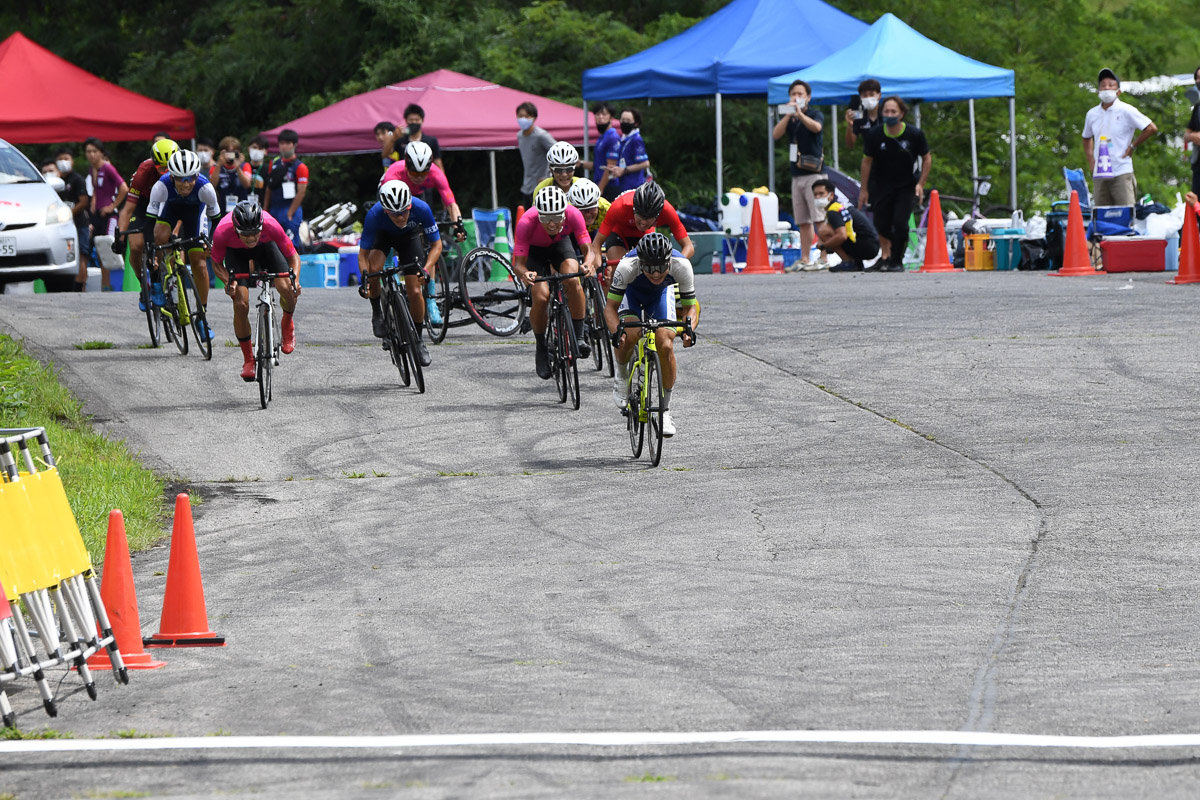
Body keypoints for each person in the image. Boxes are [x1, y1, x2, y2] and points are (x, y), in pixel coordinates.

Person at [604, 232, 699, 438]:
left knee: (665, 343)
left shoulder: (681, 265)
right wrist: (615, 332)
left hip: (661, 296)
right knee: (628, 334)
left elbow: (691, 308)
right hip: (632, 294)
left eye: (661, 268)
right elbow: (610, 308)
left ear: (669, 262)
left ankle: (665, 411)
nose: (656, 274)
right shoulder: (627, 266)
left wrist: (689, 328)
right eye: (649, 268)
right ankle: (621, 376)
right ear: (641, 263)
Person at [513, 185, 599, 379]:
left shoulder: (573, 214)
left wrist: (587, 264)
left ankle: (578, 336)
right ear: (538, 215)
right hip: (535, 252)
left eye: (557, 218)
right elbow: (518, 264)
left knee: (573, 278)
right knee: (541, 297)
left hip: (560, 245)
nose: (551, 224)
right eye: (545, 219)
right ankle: (541, 346)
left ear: (564, 213)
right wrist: (525, 274)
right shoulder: (526, 221)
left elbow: (589, 250)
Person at [211, 201, 302, 381]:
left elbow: (293, 257)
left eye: (255, 232)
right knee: (240, 302)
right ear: (236, 229)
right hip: (236, 254)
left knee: (286, 288)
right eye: (246, 234)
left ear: (262, 226)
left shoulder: (271, 224)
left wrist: (295, 281)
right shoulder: (222, 231)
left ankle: (287, 322)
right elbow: (216, 263)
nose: (251, 237)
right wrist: (228, 281)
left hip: (266, 248)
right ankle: (248, 360)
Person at [379, 140, 466, 325]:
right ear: (406, 165)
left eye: (423, 173)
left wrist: (459, 225)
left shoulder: (436, 173)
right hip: (394, 196)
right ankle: (389, 259)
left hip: (417, 198)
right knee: (397, 229)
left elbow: (451, 202)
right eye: (414, 173)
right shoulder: (394, 173)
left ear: (429, 167)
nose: (418, 177)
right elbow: (390, 213)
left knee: (429, 245)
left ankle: (431, 301)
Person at [356, 180, 440, 367]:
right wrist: (365, 280)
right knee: (374, 269)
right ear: (386, 211)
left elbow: (437, 245)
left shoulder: (422, 208)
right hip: (383, 237)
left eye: (404, 211)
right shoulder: (374, 215)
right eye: (395, 214)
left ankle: (418, 341)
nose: (401, 217)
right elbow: (362, 255)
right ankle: (377, 312)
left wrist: (426, 270)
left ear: (410, 205)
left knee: (416, 292)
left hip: (409, 238)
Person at [145, 149, 222, 339]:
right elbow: (149, 222)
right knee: (158, 236)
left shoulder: (206, 188)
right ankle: (156, 282)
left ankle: (201, 317)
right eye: (180, 179)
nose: (186, 184)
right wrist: (151, 252)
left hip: (195, 214)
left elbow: (217, 220)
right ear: (171, 177)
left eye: (190, 178)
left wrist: (210, 242)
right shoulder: (160, 187)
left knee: (199, 262)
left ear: (197, 175)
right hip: (170, 210)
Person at [859, 96, 930, 272]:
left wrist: (920, 183)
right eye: (886, 111)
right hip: (880, 185)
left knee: (900, 223)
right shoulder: (874, 135)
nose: (889, 114)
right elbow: (866, 162)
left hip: (906, 186)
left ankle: (896, 260)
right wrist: (864, 189)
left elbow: (927, 158)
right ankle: (887, 254)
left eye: (893, 112)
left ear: (901, 114)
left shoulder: (914, 134)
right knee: (881, 222)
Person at [116, 138, 179, 306]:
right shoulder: (144, 172)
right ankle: (145, 283)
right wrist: (120, 238)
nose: (166, 172)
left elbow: (184, 210)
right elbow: (128, 210)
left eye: (169, 168)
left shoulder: (182, 171)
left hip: (169, 204)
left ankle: (170, 279)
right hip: (143, 205)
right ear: (154, 163)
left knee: (161, 238)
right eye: (161, 168)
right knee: (136, 246)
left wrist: (175, 231)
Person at [589, 181, 694, 280]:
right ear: (634, 208)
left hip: (645, 234)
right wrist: (599, 265)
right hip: (619, 232)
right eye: (640, 215)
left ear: (658, 215)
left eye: (648, 217)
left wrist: (673, 263)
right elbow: (597, 244)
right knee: (619, 272)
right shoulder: (619, 206)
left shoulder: (667, 211)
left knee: (652, 269)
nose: (643, 222)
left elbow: (688, 246)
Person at [772, 79, 826, 271]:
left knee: (819, 217)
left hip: (815, 174)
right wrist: (788, 115)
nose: (796, 97)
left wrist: (800, 114)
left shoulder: (814, 113)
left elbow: (816, 128)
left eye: (800, 94)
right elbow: (775, 134)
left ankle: (824, 257)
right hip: (797, 174)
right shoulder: (791, 118)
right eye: (793, 94)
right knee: (803, 219)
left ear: (808, 97)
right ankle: (805, 258)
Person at [1083, 68, 1158, 207]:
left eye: (1111, 85)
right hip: (1100, 172)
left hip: (1121, 169)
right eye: (1103, 85)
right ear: (1098, 91)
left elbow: (1151, 127)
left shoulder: (1126, 110)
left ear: (1118, 91)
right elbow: (1086, 137)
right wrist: (1091, 160)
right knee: (1102, 215)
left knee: (1125, 212)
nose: (1106, 88)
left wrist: (1132, 146)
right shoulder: (1092, 114)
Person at [84, 137, 128, 291]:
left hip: (110, 215)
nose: (91, 155)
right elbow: (97, 189)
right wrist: (93, 201)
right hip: (97, 215)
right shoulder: (93, 169)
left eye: (94, 151)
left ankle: (114, 285)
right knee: (99, 250)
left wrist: (112, 206)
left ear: (101, 153)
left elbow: (124, 188)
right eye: (88, 152)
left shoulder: (108, 168)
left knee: (110, 247)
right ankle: (105, 286)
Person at [811, 179, 880, 272]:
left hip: (867, 246)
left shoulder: (833, 211)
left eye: (821, 193)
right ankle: (856, 262)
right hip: (871, 245)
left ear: (831, 195)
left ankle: (848, 262)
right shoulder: (840, 206)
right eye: (815, 195)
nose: (818, 197)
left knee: (824, 231)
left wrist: (824, 246)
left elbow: (842, 236)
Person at [51, 148, 89, 291]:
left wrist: (67, 214)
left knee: (81, 256)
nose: (63, 162)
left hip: (78, 224)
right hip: (61, 226)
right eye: (60, 159)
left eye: (66, 158)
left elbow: (83, 202)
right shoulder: (57, 180)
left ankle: (80, 289)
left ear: (72, 161)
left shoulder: (77, 179)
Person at [262, 129, 308, 247]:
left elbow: (301, 192)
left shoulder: (300, 167)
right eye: (281, 143)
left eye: (287, 143)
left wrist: (290, 213)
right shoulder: (274, 163)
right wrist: (265, 210)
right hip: (275, 209)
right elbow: (269, 187)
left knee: (290, 244)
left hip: (289, 209)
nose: (284, 147)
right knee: (272, 244)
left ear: (294, 145)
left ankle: (294, 265)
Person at [516, 101, 557, 209]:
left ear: (534, 118)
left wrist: (549, 176)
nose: (523, 119)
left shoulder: (541, 135)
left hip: (542, 186)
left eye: (527, 116)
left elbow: (559, 152)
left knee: (543, 220)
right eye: (520, 116)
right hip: (527, 185)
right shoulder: (520, 135)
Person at [607, 107, 649, 194]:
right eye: (623, 120)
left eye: (628, 121)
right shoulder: (624, 139)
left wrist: (624, 170)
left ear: (636, 123)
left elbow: (645, 163)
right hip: (624, 185)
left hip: (634, 187)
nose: (625, 123)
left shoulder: (636, 139)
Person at [584, 102, 621, 199]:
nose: (600, 117)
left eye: (604, 114)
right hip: (599, 183)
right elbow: (598, 165)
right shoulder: (601, 138)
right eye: (597, 114)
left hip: (609, 187)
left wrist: (600, 189)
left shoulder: (612, 137)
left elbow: (610, 167)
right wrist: (580, 163)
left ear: (611, 117)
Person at [211, 136, 252, 214]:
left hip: (243, 210)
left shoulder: (245, 166)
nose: (230, 155)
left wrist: (238, 167)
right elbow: (212, 185)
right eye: (227, 152)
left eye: (233, 152)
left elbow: (247, 185)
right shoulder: (216, 167)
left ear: (238, 152)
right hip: (223, 210)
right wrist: (219, 165)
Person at [844, 78, 883, 150]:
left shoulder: (887, 113)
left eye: (871, 94)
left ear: (879, 96)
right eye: (865, 95)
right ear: (860, 97)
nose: (868, 97)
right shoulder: (859, 116)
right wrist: (850, 125)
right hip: (869, 156)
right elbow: (850, 144)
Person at [245, 135, 270, 205]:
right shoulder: (243, 167)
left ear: (265, 151)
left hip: (261, 207)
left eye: (260, 148)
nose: (256, 151)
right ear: (249, 148)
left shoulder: (268, 169)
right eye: (254, 147)